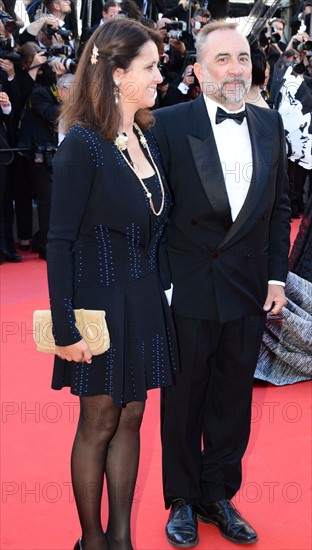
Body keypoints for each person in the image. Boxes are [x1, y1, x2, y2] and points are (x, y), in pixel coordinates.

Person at [152, 19, 291, 548]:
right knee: (184, 398)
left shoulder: (269, 123)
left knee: (233, 398)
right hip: (187, 286)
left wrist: (277, 277)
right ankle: (183, 498)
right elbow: (156, 216)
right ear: (199, 70)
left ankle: (218, 494)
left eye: (243, 59)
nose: (236, 70)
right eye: (223, 60)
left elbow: (279, 210)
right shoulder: (166, 124)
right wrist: (162, 284)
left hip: (249, 286)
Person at [46, 18, 178, 550]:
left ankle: (122, 538)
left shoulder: (144, 135)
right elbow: (57, 241)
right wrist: (63, 329)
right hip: (96, 307)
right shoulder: (82, 144)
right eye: (149, 67)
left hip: (143, 301)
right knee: (99, 420)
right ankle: (93, 540)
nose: (158, 76)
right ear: (118, 74)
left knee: (133, 415)